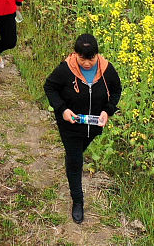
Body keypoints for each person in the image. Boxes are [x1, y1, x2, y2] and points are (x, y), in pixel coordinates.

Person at [44, 34, 122, 224]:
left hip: (93, 127)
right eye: (82, 58)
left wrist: (108, 111)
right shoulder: (65, 69)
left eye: (91, 58)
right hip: (69, 126)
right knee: (75, 161)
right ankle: (77, 201)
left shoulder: (106, 70)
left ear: (97, 55)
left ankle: (73, 158)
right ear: (75, 54)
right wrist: (62, 109)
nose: (87, 63)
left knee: (77, 154)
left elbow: (117, 89)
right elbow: (50, 87)